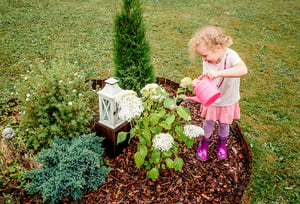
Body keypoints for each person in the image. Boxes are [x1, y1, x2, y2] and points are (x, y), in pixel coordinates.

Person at [188, 25, 248, 161]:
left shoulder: (231, 56)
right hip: (212, 101)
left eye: (205, 55)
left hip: (227, 100)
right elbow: (206, 76)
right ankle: (204, 143)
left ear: (218, 48)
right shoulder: (209, 59)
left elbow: (243, 70)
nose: (203, 59)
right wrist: (198, 82)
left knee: (224, 124)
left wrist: (219, 73)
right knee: (208, 122)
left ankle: (222, 144)